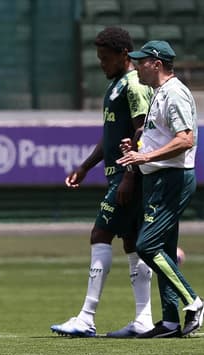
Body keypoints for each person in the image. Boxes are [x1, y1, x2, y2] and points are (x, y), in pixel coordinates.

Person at [50, 27, 154, 338]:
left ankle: (86, 316)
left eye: (105, 58)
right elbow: (110, 137)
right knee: (133, 244)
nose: (101, 64)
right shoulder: (116, 86)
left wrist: (130, 177)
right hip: (121, 175)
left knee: (100, 234)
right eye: (98, 58)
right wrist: (84, 167)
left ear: (124, 55)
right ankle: (144, 319)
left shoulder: (134, 85)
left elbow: (143, 134)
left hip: (127, 177)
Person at [117, 40, 204, 338]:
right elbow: (162, 135)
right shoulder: (160, 93)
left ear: (156, 64)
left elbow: (185, 139)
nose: (135, 66)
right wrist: (139, 145)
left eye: (141, 61)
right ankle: (170, 321)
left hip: (172, 179)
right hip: (158, 178)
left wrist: (144, 156)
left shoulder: (175, 93)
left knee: (147, 246)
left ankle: (195, 303)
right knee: (165, 248)